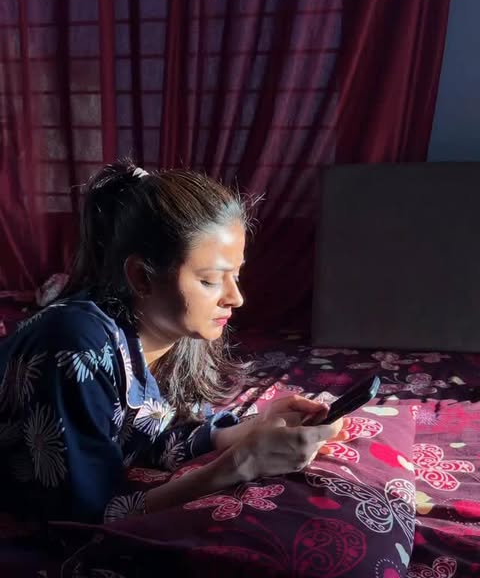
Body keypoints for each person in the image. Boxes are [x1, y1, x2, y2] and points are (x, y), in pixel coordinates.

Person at [0, 160, 343, 524]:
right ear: (141, 277)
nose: (236, 298)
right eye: (210, 280)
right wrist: (242, 463)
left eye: (235, 275)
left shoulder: (174, 329)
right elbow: (83, 519)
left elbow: (157, 436)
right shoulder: (76, 349)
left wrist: (255, 428)